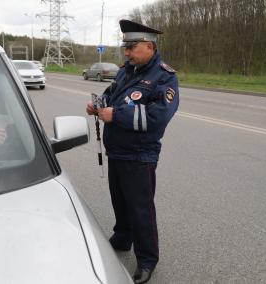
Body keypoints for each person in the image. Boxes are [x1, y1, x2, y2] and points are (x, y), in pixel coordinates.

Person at [86, 19, 179, 284]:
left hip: (139, 155)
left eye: (131, 47)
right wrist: (98, 105)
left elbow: (158, 117)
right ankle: (123, 237)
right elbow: (111, 94)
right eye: (125, 46)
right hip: (116, 150)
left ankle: (148, 259)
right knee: (120, 200)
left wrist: (116, 115)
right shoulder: (127, 71)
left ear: (149, 46)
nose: (126, 52)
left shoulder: (164, 76)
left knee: (141, 209)